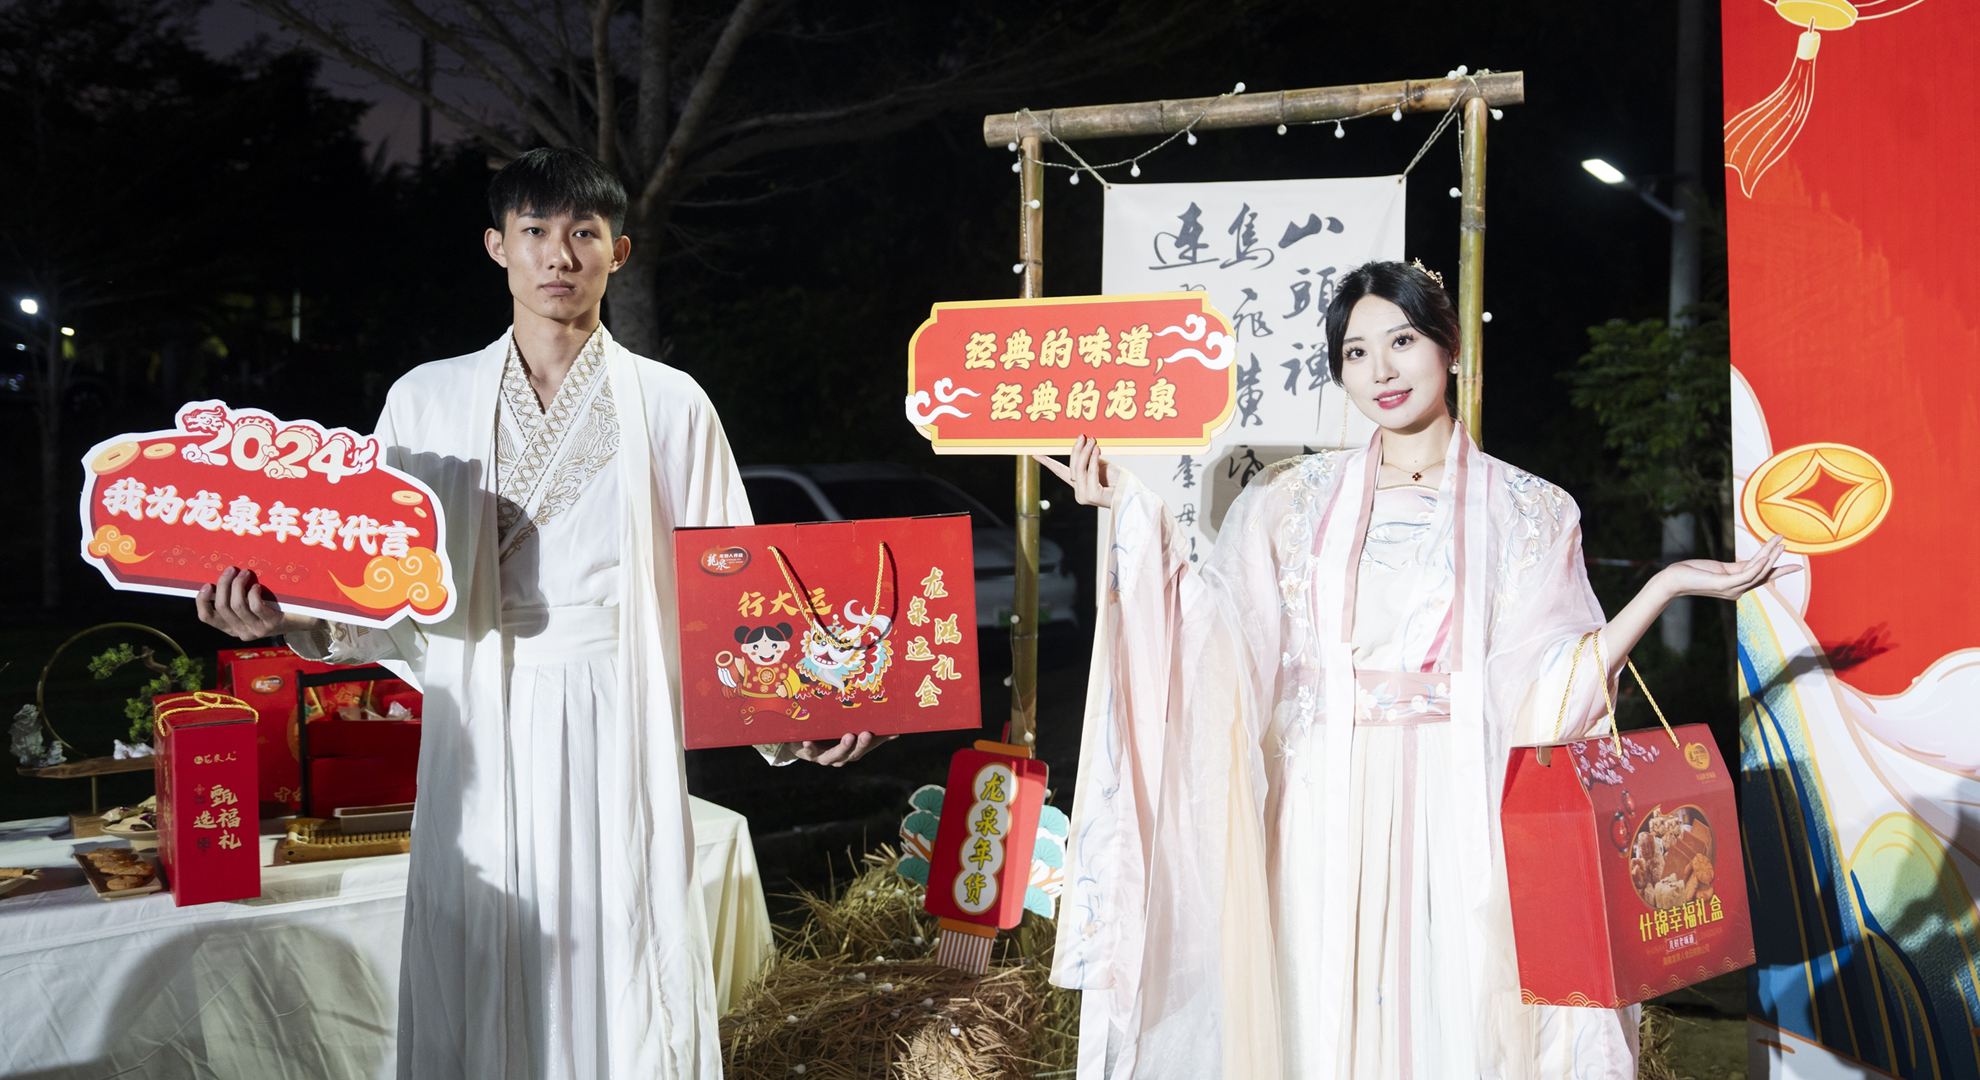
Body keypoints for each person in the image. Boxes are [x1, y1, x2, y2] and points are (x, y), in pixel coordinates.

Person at [194, 147, 885, 1080]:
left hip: (619, 707)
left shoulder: (672, 404)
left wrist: (803, 711)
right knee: (482, 942)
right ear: (498, 246)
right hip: (482, 708)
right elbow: (372, 584)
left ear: (618, 252)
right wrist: (287, 619)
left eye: (584, 233)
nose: (560, 254)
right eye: (535, 231)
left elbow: (733, 588)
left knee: (625, 937)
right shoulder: (425, 400)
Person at [1037, 259, 1792, 1079]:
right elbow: (1217, 636)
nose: (1381, 371)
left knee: (1458, 1017)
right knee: (1319, 1014)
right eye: (1356, 353)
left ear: (1450, 345)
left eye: (1401, 341)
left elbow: (1554, 689)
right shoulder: (1289, 502)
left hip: (1460, 804)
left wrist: (1665, 587)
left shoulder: (1529, 508)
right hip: (1322, 804)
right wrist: (1132, 513)